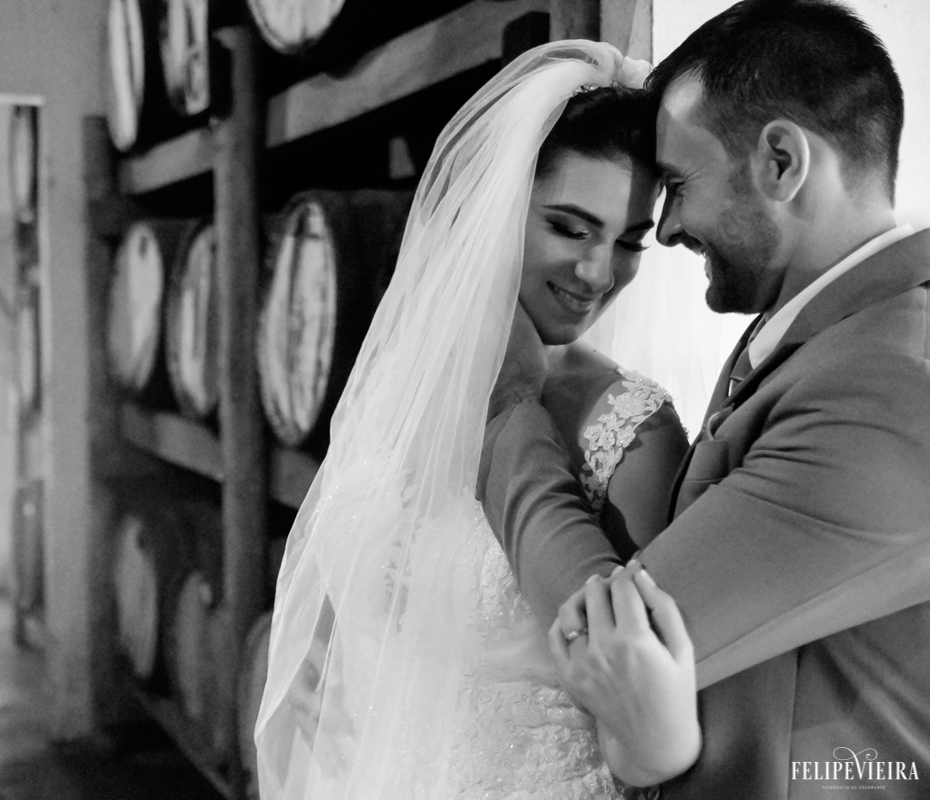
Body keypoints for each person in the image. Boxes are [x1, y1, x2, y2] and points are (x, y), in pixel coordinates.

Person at [479, 1, 930, 798]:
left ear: (781, 161)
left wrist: (512, 407)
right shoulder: (823, 334)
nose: (669, 228)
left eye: (679, 186)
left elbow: (610, 633)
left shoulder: (893, 382)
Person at [255, 40, 693, 799]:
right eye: (568, 226)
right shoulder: (403, 384)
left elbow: (643, 706)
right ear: (494, 211)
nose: (597, 274)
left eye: (626, 243)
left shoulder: (633, 429)